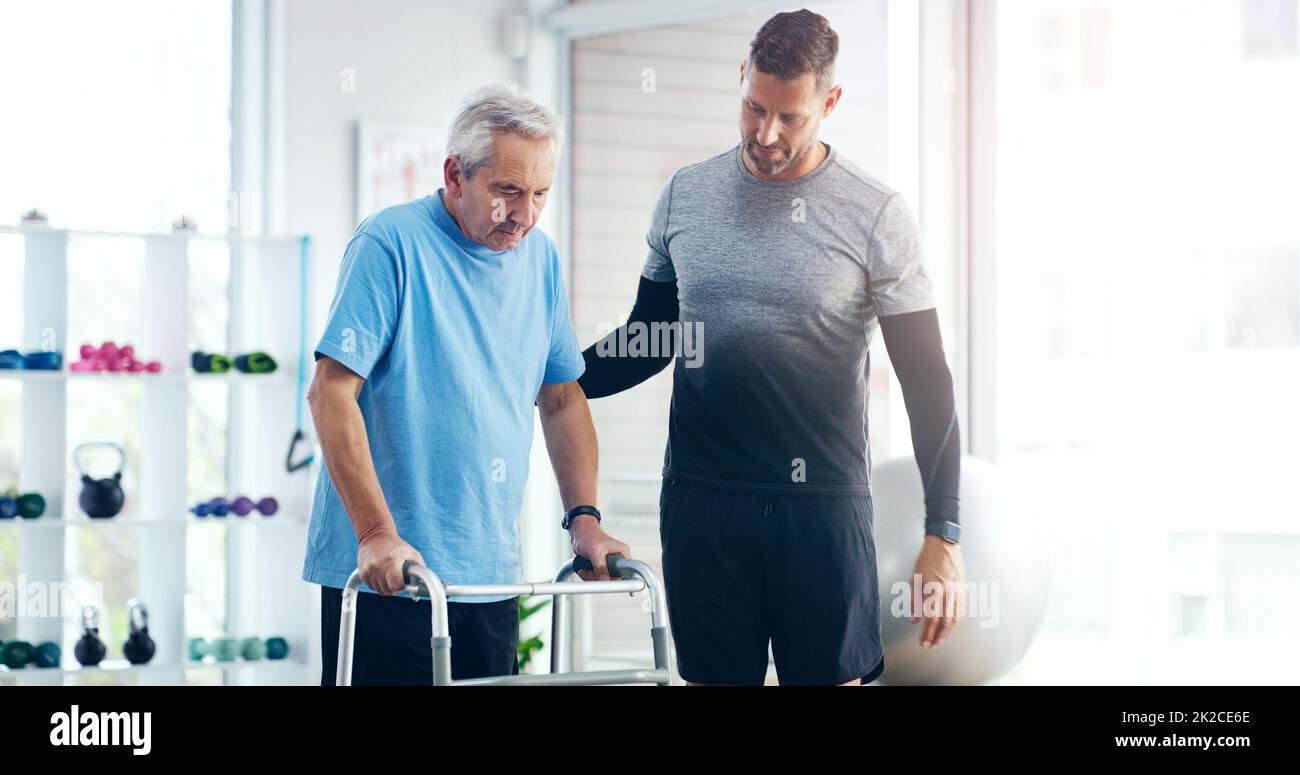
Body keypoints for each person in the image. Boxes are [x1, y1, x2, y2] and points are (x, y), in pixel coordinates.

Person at [578, 9, 966, 686]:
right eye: (754, 107)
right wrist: (554, 376)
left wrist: (944, 533)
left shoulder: (876, 214)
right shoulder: (685, 197)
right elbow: (650, 337)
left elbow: (926, 379)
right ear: (741, 78)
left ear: (830, 102)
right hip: (704, 504)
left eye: (790, 117)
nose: (766, 133)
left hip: (819, 512)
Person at [305, 83, 630, 685]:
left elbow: (560, 397)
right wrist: (376, 534)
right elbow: (330, 391)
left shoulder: (542, 261)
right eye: (507, 191)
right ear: (456, 175)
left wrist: (583, 518)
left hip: (487, 578)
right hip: (391, 577)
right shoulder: (391, 243)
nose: (526, 215)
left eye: (539, 194)